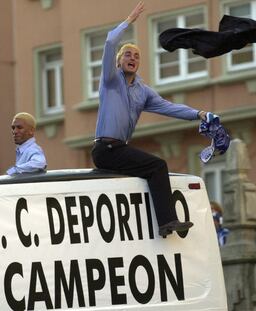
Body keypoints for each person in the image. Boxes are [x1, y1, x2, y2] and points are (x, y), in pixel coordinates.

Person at [91, 1, 214, 238]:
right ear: (118, 61)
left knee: (148, 172)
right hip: (105, 149)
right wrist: (129, 20)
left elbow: (169, 107)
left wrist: (198, 114)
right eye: (127, 54)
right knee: (157, 166)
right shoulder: (110, 80)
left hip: (119, 150)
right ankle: (167, 221)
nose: (132, 58)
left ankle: (147, 227)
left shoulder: (142, 90)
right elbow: (109, 42)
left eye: (136, 56)